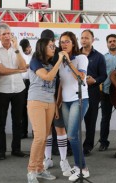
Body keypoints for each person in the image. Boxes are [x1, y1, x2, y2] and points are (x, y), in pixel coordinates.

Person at [27, 38, 65, 183]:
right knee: (40, 137)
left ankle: (39, 169)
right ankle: (31, 170)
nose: (54, 48)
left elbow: (53, 88)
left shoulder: (50, 64)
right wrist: (59, 61)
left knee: (44, 139)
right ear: (42, 47)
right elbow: (48, 77)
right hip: (36, 101)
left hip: (49, 103)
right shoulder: (35, 61)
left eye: (54, 46)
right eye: (51, 46)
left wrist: (55, 105)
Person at [0, 23, 28, 160]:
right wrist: (18, 71)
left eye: (9, 33)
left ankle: (16, 149)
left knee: (17, 121)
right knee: (1, 121)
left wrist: (17, 49)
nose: (8, 36)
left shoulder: (16, 48)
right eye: (4, 34)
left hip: (19, 88)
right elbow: (1, 71)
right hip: (3, 89)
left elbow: (23, 65)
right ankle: (1, 151)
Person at [58, 31, 90, 181]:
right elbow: (60, 84)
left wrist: (69, 61)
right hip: (65, 101)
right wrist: (57, 102)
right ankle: (77, 167)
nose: (64, 44)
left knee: (72, 135)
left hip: (79, 99)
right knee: (72, 137)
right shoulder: (59, 61)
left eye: (67, 41)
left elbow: (80, 77)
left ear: (73, 43)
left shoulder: (81, 58)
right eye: (62, 42)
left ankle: (83, 168)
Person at [40, 29, 71, 175]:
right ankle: (48, 158)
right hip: (42, 98)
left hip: (59, 96)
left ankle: (64, 160)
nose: (50, 44)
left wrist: (57, 103)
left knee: (60, 128)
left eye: (51, 41)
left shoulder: (60, 55)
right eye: (46, 41)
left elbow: (61, 81)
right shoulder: (38, 56)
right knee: (46, 130)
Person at [80, 29, 107, 156]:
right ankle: (69, 146)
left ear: (92, 40)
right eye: (82, 38)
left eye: (86, 38)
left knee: (90, 121)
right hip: (75, 92)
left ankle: (88, 146)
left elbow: (104, 75)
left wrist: (95, 80)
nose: (84, 40)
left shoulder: (99, 56)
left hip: (92, 92)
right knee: (73, 122)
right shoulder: (75, 54)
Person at [19, 38, 33, 139]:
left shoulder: (35, 55)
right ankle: (23, 131)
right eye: (24, 50)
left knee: (33, 108)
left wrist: (27, 65)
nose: (26, 51)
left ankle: (35, 131)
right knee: (22, 108)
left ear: (29, 47)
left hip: (32, 84)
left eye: (27, 49)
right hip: (22, 83)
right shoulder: (19, 56)